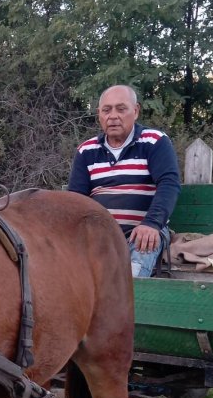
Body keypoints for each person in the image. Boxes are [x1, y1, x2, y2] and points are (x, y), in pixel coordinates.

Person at [68, 85, 181, 278]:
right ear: (99, 114)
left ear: (135, 111)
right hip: (98, 236)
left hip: (142, 234)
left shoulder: (154, 142)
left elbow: (169, 184)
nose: (113, 116)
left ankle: (129, 306)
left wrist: (152, 224)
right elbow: (75, 199)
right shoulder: (87, 151)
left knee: (131, 275)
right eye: (106, 110)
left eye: (121, 109)